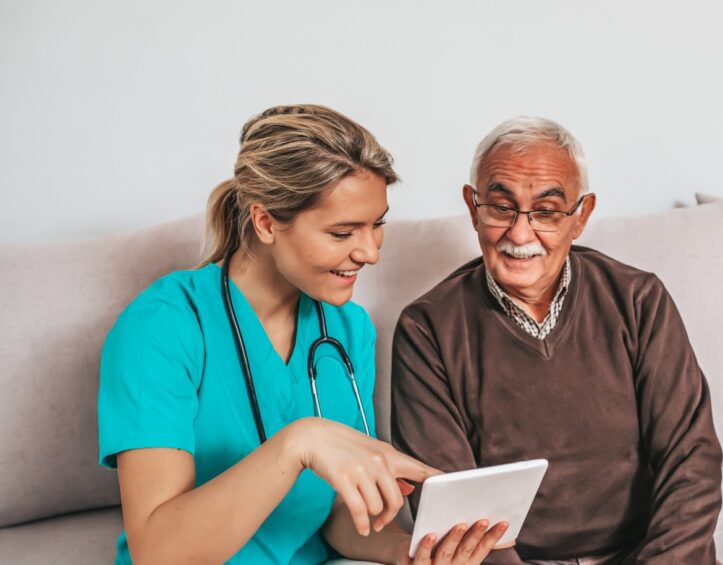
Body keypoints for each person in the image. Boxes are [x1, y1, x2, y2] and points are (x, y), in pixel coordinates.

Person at [98, 104, 507, 564]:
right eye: (342, 232)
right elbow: (159, 553)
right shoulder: (163, 328)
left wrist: (409, 554)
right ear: (266, 222)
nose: (370, 252)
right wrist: (299, 443)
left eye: (378, 225)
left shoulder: (348, 331)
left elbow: (336, 513)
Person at [391, 117, 723, 564]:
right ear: (473, 208)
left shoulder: (639, 300)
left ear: (580, 216)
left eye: (546, 212)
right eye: (500, 207)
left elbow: (692, 461)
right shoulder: (426, 328)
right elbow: (453, 510)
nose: (520, 233)